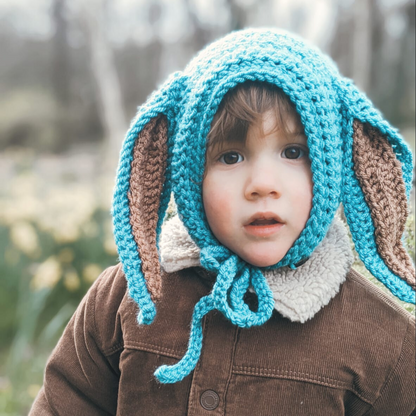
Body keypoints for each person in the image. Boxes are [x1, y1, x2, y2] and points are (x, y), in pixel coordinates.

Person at [30, 28, 415, 415]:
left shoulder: (385, 341)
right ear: (189, 174)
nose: (263, 185)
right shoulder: (126, 299)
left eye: (293, 152)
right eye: (230, 157)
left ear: (334, 167)